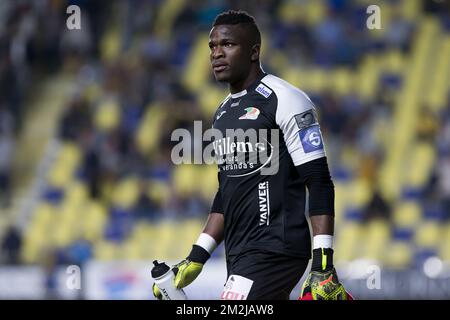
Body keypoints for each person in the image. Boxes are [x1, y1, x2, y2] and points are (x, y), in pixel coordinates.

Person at [153, 10, 350, 300]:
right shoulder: (221, 113)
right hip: (240, 254)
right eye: (212, 47)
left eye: (228, 45)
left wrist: (323, 263)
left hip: (276, 247)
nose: (217, 54)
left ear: (254, 51)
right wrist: (197, 257)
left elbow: (319, 180)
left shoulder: (286, 99)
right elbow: (226, 192)